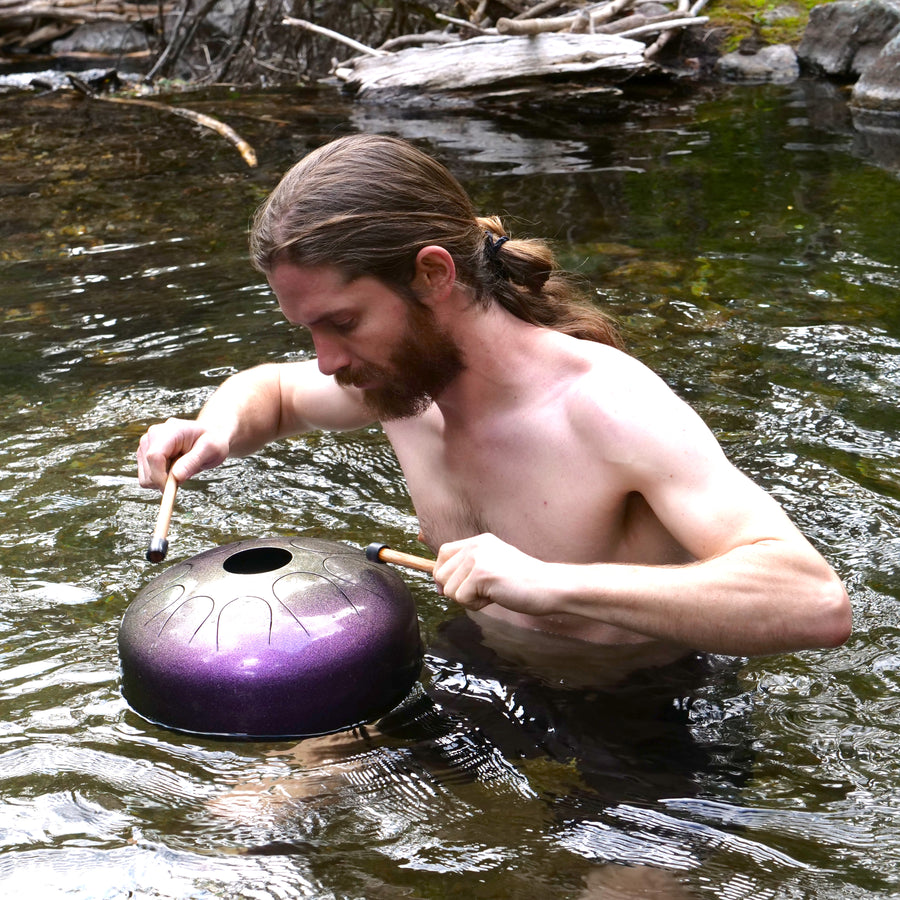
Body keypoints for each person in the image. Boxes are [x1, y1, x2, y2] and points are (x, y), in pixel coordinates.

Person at [136, 133, 851, 671]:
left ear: (432, 274)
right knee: (256, 804)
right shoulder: (398, 384)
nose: (328, 360)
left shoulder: (604, 406)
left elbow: (814, 602)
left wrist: (553, 585)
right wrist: (217, 429)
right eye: (310, 331)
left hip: (640, 717)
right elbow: (274, 392)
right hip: (473, 665)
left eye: (343, 322)